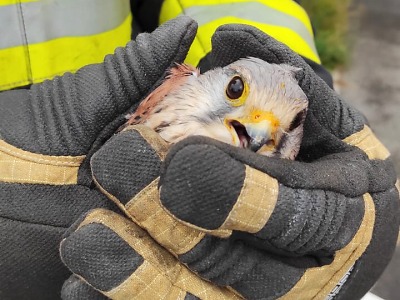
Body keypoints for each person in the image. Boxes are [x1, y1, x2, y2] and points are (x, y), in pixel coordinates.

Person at [0, 1, 398, 299]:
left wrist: (297, 69)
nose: (259, 132)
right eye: (237, 91)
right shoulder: (150, 105)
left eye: (288, 126)